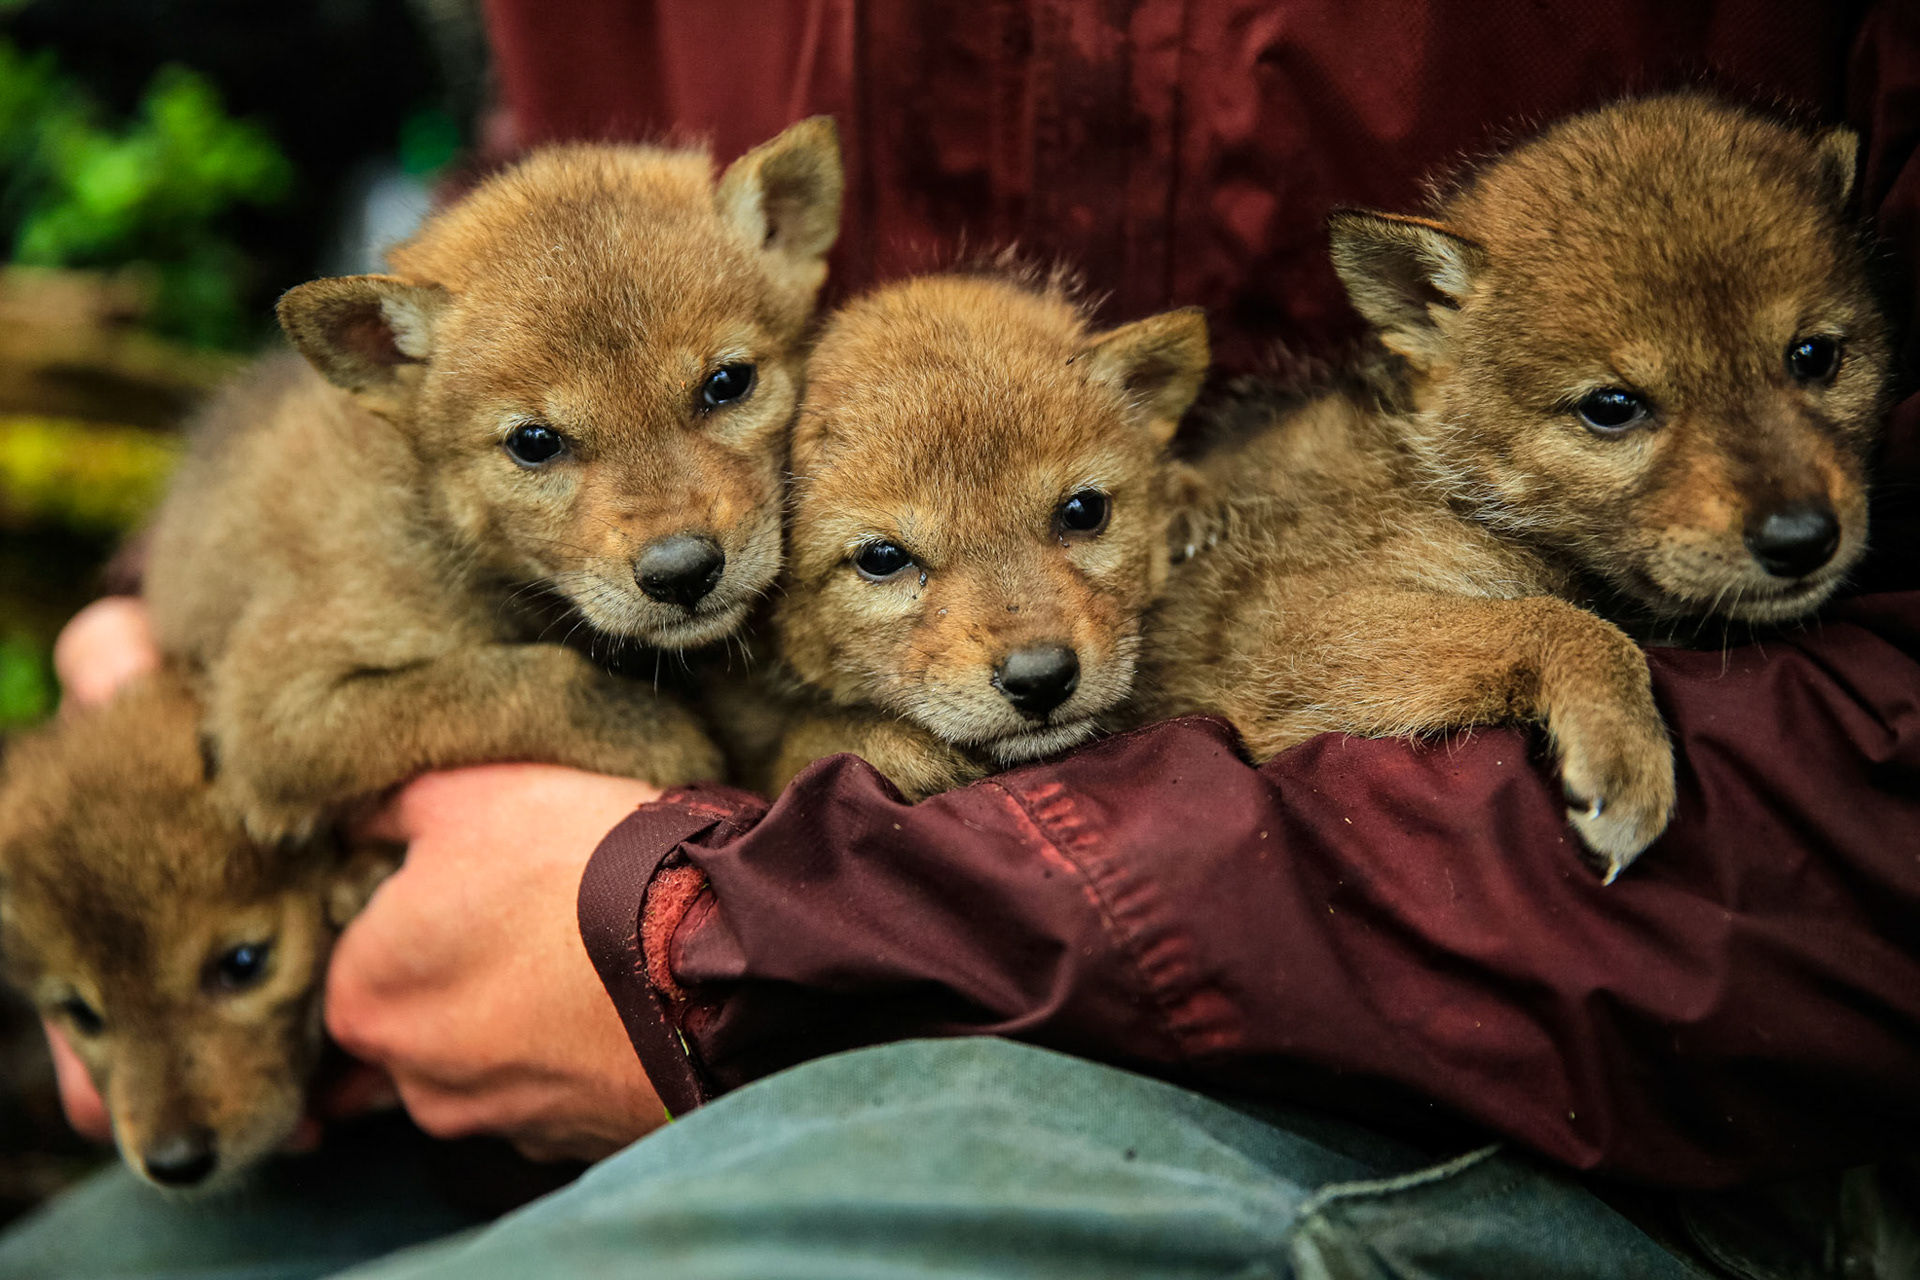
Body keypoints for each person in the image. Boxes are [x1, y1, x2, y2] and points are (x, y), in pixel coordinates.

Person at [5, 1, 1920, 1276]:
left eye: (737, 393)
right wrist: (158, 661)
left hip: (1490, 1058)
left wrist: (733, 947)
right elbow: (529, 280)